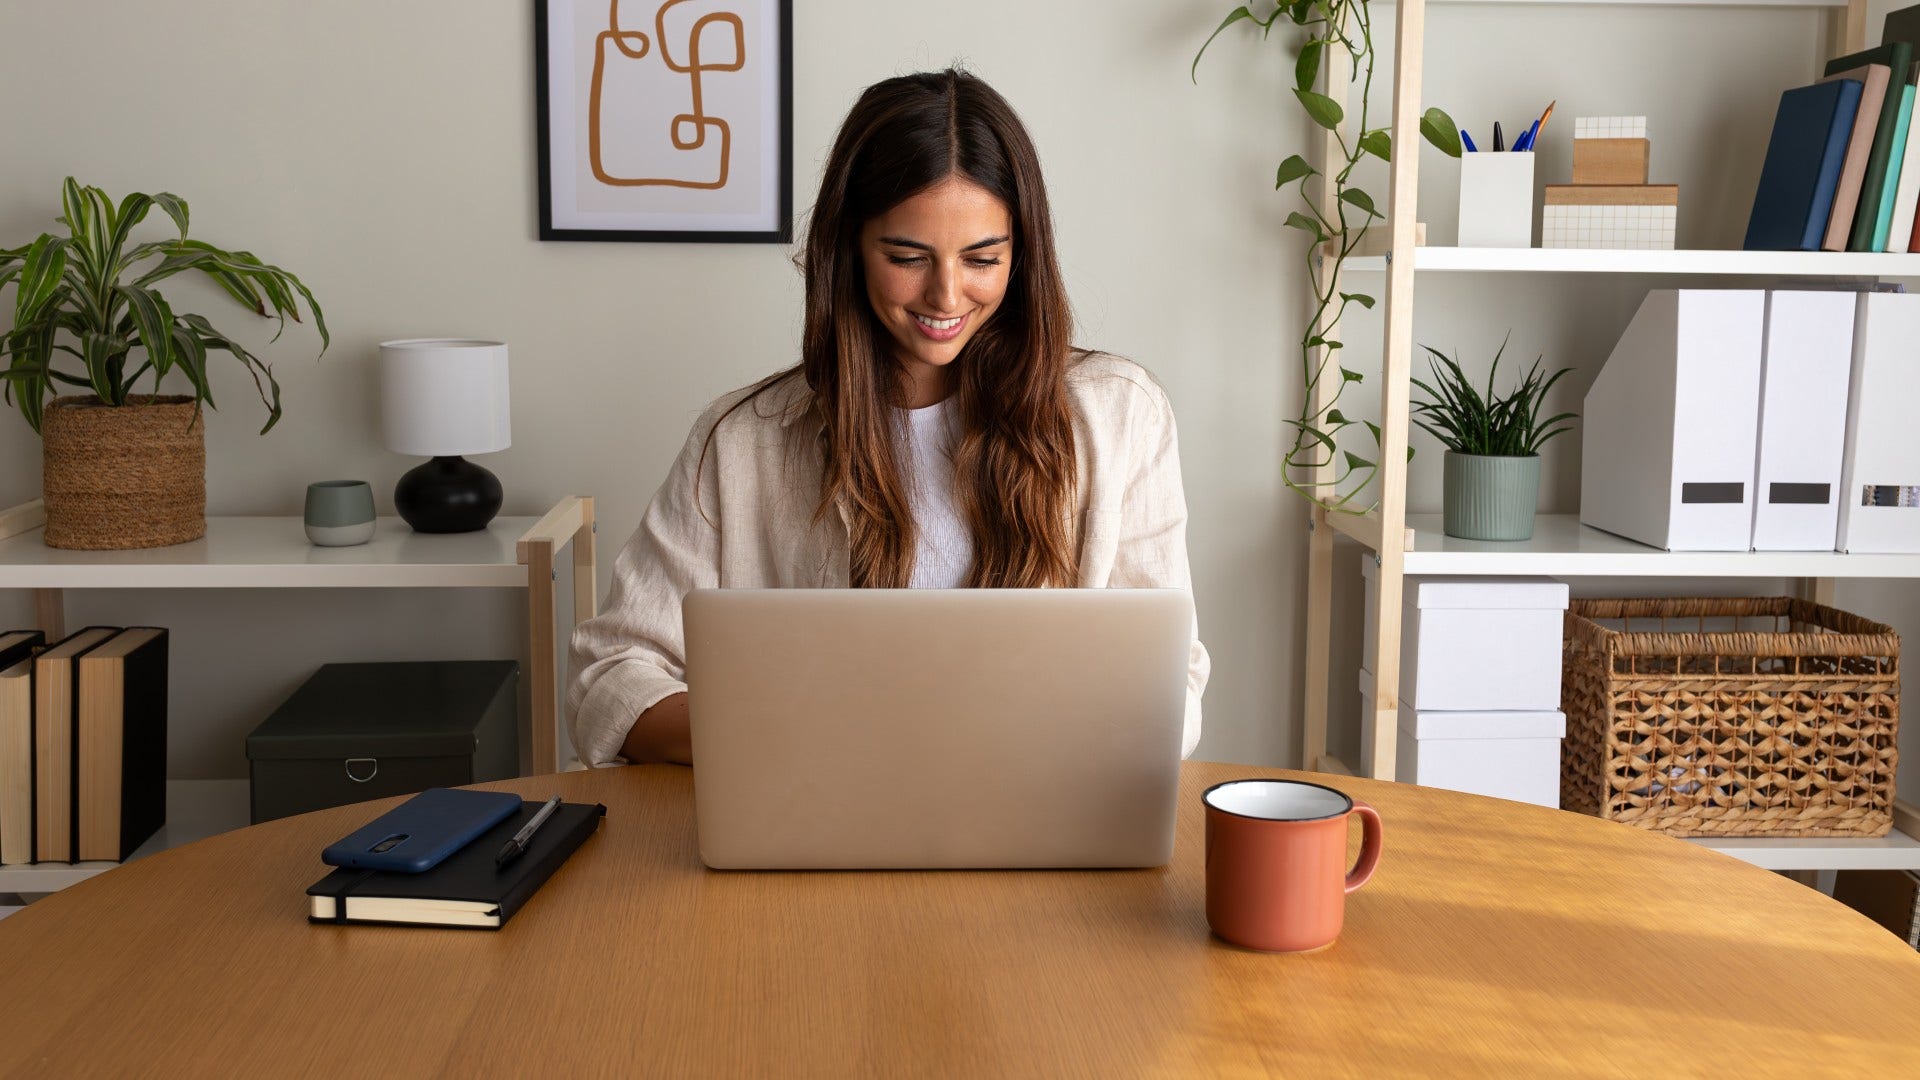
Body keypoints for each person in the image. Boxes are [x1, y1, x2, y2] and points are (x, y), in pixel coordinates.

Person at [567, 68, 1208, 767]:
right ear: (849, 249)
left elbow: (1170, 680)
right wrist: (777, 733)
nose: (946, 294)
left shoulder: (1121, 416)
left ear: (1020, 258)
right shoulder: (744, 441)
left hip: (1042, 816)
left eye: (983, 258)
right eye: (907, 256)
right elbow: (611, 675)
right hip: (815, 821)